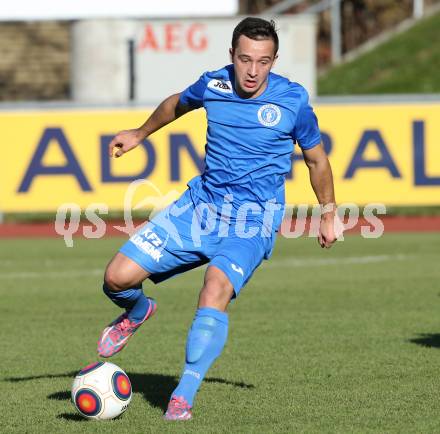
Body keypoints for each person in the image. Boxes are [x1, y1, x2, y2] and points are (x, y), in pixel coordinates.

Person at [97, 17, 337, 420]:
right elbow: (177, 103)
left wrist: (329, 213)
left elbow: (316, 160)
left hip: (252, 220)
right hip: (199, 208)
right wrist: (140, 133)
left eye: (263, 61)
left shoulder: (292, 101)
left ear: (274, 60)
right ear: (232, 56)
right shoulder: (215, 84)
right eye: (245, 59)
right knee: (116, 278)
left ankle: (182, 395)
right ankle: (138, 313)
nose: (253, 70)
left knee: (214, 289)